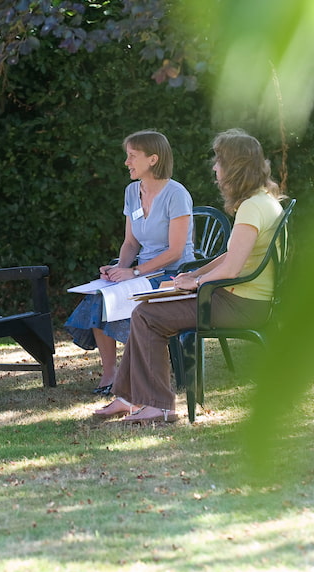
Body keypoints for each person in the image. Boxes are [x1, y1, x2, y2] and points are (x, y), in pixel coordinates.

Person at [93, 129, 286, 423]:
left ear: (235, 167)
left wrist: (193, 283)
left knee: (146, 315)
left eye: (219, 161)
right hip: (246, 301)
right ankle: (130, 398)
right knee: (146, 311)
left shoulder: (251, 208)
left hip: (241, 306)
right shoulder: (265, 202)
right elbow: (230, 256)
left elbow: (232, 270)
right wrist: (197, 273)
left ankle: (157, 406)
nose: (214, 167)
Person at [65, 130, 195, 396]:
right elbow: (130, 243)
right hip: (142, 273)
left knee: (117, 299)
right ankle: (111, 373)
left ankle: (132, 373)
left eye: (132, 156)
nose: (126, 162)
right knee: (99, 295)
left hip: (174, 274)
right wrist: (117, 271)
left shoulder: (176, 194)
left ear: (153, 159)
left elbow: (175, 251)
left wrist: (133, 271)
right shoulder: (131, 191)